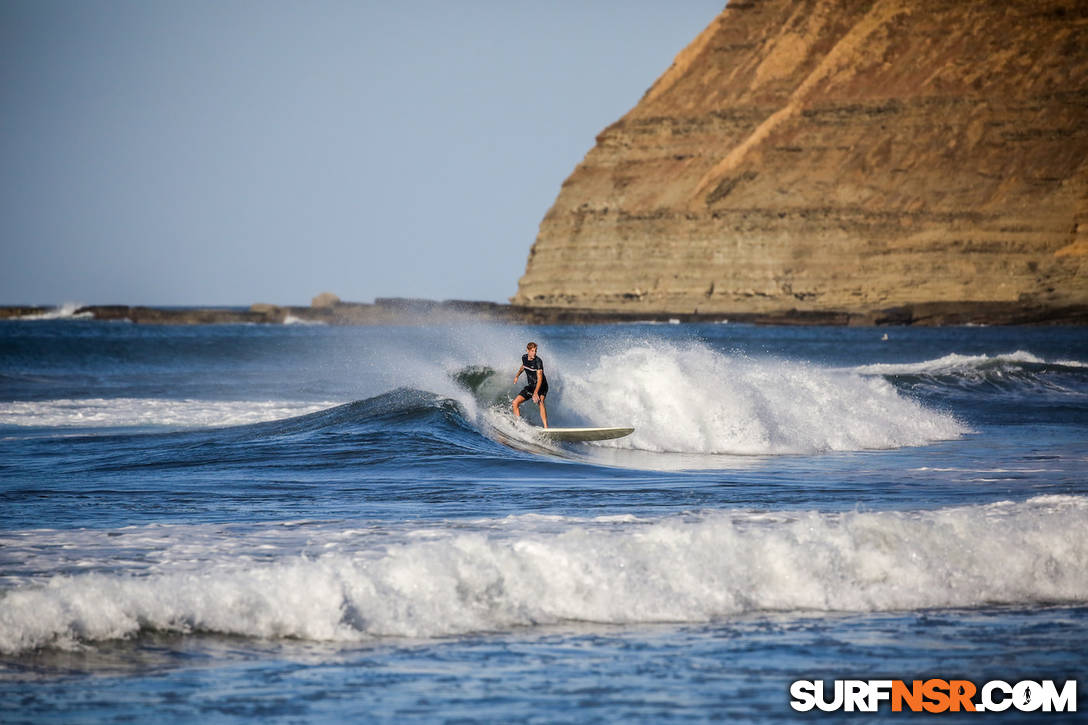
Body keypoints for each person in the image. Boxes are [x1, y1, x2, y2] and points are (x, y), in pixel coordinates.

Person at [513, 341, 549, 428]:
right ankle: (519, 425)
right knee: (515, 403)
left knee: (540, 402)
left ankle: (546, 427)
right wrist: (517, 376)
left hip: (542, 386)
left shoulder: (538, 362)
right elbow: (523, 367)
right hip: (531, 386)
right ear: (527, 350)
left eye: (536, 351)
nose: (534, 353)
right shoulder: (524, 358)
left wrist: (536, 393)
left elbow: (540, 379)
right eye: (532, 351)